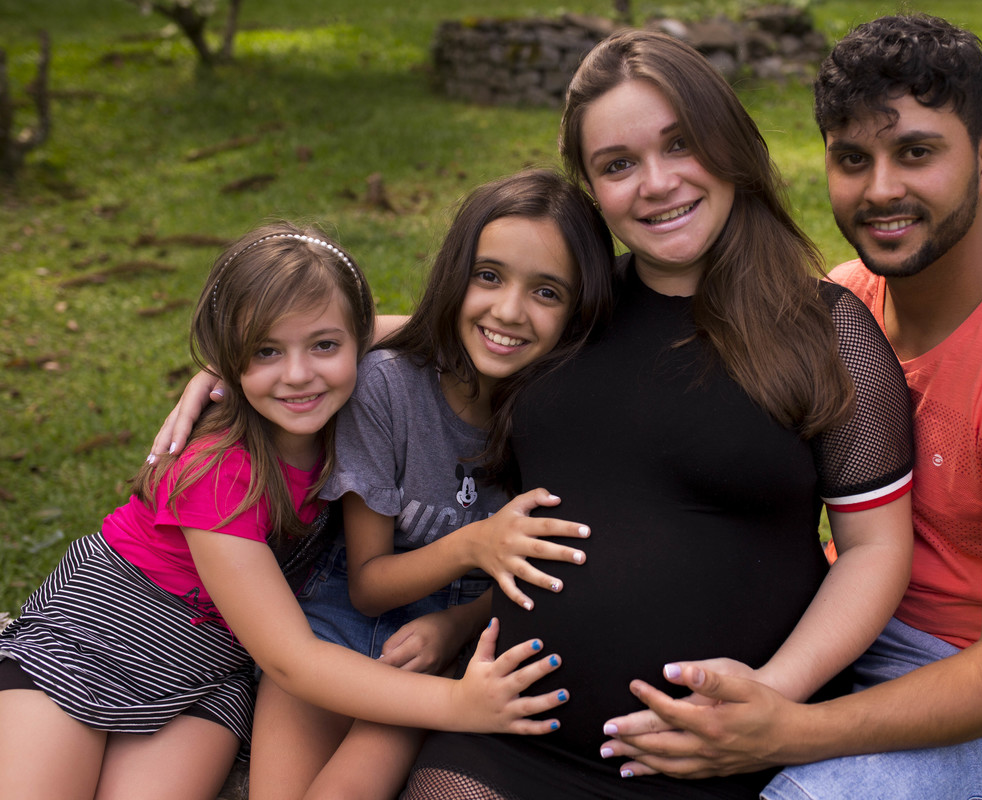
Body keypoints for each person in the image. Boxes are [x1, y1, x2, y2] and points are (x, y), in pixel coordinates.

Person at [598, 15, 982, 800]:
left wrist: (786, 729)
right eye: (853, 159)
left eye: (917, 153)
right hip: (839, 614)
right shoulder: (844, 306)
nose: (881, 188)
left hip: (968, 677)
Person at [402, 29, 915, 799]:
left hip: (722, 756)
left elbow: (875, 551)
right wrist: (241, 365)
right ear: (592, 188)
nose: (656, 183)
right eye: (618, 165)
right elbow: (456, 329)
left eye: (681, 144)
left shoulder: (825, 330)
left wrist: (771, 701)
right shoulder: (571, 310)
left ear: (729, 142)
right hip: (514, 742)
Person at [0, 222, 569, 800]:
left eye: (324, 345)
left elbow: (436, 337)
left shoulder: (344, 420)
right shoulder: (221, 470)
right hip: (97, 641)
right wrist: (458, 704)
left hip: (209, 676)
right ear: (232, 356)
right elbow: (293, 660)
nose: (299, 376)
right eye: (265, 351)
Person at [251, 170, 616, 800]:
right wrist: (475, 546)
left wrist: (455, 630)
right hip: (333, 629)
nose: (508, 310)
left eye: (547, 292)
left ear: (579, 310)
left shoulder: (563, 419)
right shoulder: (386, 389)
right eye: (489, 276)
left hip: (448, 653)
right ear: (456, 275)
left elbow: (536, 574)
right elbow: (366, 585)